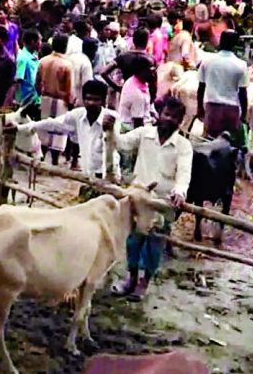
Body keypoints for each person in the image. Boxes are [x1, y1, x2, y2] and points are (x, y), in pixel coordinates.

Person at [105, 96, 193, 299]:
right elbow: (122, 144)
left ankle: (144, 283)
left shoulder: (183, 145)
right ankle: (132, 278)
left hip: (161, 203)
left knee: (154, 246)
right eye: (166, 114)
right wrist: (111, 130)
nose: (169, 119)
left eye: (174, 117)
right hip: (138, 198)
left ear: (180, 122)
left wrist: (180, 191)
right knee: (132, 242)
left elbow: (184, 172)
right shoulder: (144, 134)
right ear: (159, 115)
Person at [16, 80, 119, 178]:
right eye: (88, 99)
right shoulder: (77, 115)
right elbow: (52, 123)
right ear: (83, 99)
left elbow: (122, 144)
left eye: (96, 100)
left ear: (103, 101)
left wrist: (111, 130)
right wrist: (19, 128)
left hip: (109, 175)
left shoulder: (112, 118)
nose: (91, 103)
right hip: (88, 174)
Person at [197, 30, 248, 138]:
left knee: (210, 142)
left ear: (220, 41)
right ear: (235, 44)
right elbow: (242, 93)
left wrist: (200, 108)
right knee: (229, 144)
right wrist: (243, 114)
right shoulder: (241, 65)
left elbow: (201, 87)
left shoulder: (207, 61)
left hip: (212, 109)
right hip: (232, 110)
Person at [35, 34, 74, 164]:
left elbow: (37, 82)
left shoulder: (43, 61)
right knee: (58, 130)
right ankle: (55, 161)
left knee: (44, 128)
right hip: (60, 99)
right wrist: (69, 102)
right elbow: (68, 88)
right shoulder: (66, 64)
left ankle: (41, 157)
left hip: (45, 97)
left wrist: (41, 94)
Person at [119, 58, 155, 130]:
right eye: (150, 69)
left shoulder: (139, 82)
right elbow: (138, 123)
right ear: (141, 71)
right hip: (132, 128)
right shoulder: (136, 94)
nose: (153, 71)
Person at [15, 30, 41, 119]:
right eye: (39, 41)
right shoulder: (23, 58)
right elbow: (18, 80)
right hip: (27, 101)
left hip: (35, 99)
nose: (40, 43)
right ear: (33, 42)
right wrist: (18, 102)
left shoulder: (34, 56)